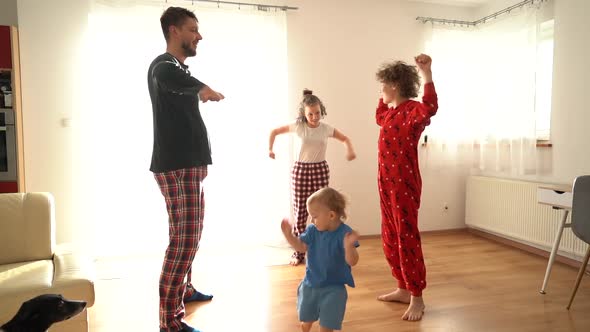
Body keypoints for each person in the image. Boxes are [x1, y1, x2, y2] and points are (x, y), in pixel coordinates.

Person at [147, 6, 225, 332]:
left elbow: (179, 80)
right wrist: (201, 87)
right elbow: (170, 77)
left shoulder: (178, 68)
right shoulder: (164, 65)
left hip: (186, 166)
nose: (199, 35)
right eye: (193, 29)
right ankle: (170, 322)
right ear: (175, 31)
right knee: (185, 241)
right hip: (178, 167)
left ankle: (186, 289)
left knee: (184, 235)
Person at [374, 54, 437, 321]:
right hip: (385, 184)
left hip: (404, 187)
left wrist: (426, 74)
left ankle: (417, 297)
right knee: (390, 237)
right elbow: (378, 114)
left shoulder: (412, 111)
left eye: (384, 86)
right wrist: (384, 94)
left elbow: (431, 107)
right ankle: (402, 287)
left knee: (406, 238)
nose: (381, 92)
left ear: (395, 86)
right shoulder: (388, 114)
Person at [269, 89, 356, 266]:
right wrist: (270, 149)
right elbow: (274, 132)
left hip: (320, 169)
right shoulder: (298, 126)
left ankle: (323, 250)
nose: (315, 117)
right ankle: (299, 252)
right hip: (300, 170)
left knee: (323, 210)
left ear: (321, 110)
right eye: (310, 114)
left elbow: (345, 138)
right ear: (304, 113)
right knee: (301, 210)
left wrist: (350, 150)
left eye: (317, 113)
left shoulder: (326, 129)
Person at [280, 187, 360, 332]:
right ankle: (305, 327)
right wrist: (289, 236)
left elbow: (352, 261)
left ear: (331, 215)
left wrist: (349, 247)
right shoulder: (312, 230)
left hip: (334, 289)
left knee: (327, 326)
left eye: (314, 216)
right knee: (307, 320)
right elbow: (301, 247)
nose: (311, 220)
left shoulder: (345, 234)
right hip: (311, 285)